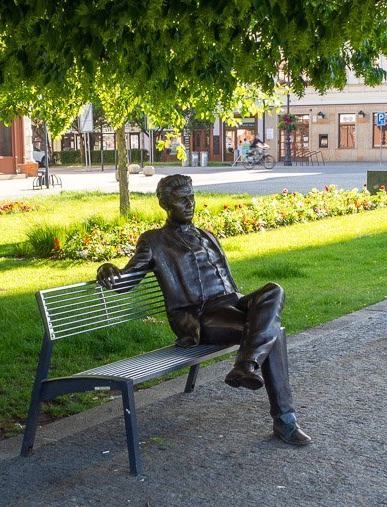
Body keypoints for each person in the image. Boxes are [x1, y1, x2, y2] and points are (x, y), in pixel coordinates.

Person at [95, 174, 311, 446]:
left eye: (191, 197)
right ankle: (284, 419)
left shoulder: (206, 235)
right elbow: (126, 281)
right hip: (199, 316)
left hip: (231, 302)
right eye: (181, 199)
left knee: (274, 289)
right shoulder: (154, 241)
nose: (189, 204)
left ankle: (245, 365)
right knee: (274, 332)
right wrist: (106, 270)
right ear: (164, 203)